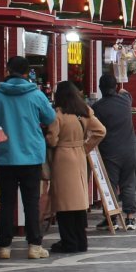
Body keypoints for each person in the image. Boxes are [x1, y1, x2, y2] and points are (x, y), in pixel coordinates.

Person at [0, 56, 58, 260]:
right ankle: (34, 245)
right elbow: (50, 118)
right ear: (27, 72)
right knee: (31, 202)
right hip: (31, 155)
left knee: (6, 202)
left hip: (5, 155)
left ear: (7, 69)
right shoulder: (36, 95)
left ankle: (4, 247)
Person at [46, 81, 106, 254]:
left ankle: (69, 241)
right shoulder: (84, 113)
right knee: (79, 201)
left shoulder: (58, 115)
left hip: (63, 158)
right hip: (79, 156)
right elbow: (100, 131)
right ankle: (81, 240)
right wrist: (85, 147)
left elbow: (52, 139)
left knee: (64, 202)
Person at [92, 73, 136, 230]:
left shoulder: (97, 107)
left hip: (110, 150)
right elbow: (126, 93)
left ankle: (111, 218)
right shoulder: (125, 101)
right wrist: (121, 91)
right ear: (116, 87)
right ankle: (130, 218)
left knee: (110, 185)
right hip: (129, 149)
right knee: (129, 182)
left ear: (100, 88)